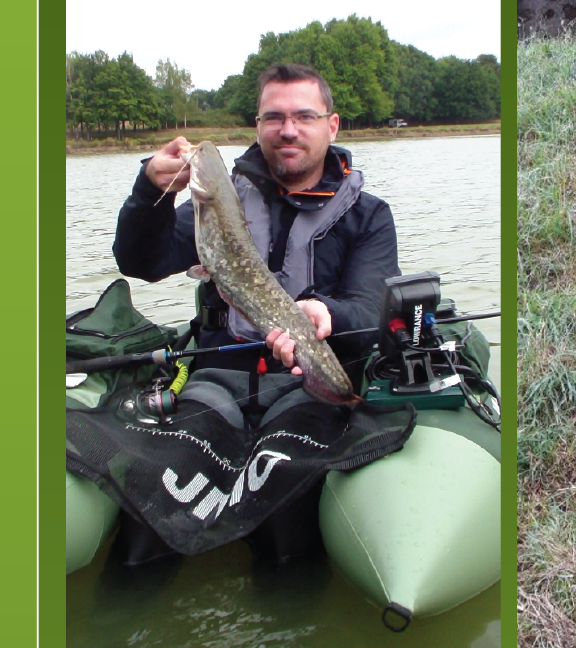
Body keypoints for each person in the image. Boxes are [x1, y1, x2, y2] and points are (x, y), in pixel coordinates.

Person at [110, 63, 400, 559]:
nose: (287, 129)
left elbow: (371, 310)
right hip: (217, 380)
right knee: (143, 537)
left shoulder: (368, 215)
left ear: (331, 126)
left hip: (303, 385)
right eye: (273, 117)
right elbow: (141, 261)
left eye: (303, 116)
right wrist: (148, 190)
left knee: (286, 535)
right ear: (258, 126)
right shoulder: (220, 201)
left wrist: (329, 315)